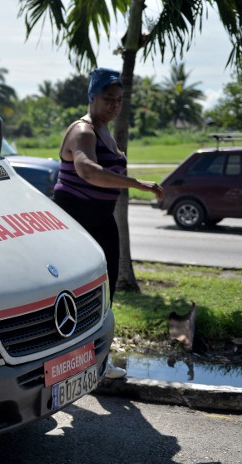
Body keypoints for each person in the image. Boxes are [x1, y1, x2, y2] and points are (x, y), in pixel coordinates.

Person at [53, 67, 164, 379]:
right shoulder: (83, 131)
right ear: (92, 97)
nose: (114, 105)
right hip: (78, 219)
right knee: (77, 294)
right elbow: (87, 169)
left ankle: (99, 359)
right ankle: (66, 362)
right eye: (107, 99)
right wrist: (137, 183)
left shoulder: (105, 130)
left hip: (101, 220)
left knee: (105, 290)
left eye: (118, 100)